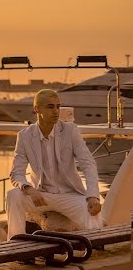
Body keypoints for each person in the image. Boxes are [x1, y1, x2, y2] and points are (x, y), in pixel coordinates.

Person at [6, 89, 103, 237]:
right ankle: (15, 243)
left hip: (69, 195)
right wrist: (29, 189)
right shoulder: (25, 136)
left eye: (58, 106)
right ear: (37, 109)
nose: (56, 111)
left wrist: (93, 195)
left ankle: (96, 246)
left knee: (93, 217)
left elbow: (88, 163)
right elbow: (16, 173)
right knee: (13, 196)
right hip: (41, 195)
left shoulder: (70, 131)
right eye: (50, 107)